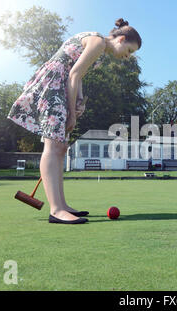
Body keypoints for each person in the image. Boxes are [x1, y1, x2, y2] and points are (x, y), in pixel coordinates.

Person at [8, 18, 142, 224]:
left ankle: (62, 205)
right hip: (53, 87)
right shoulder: (97, 42)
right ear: (121, 39)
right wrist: (71, 113)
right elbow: (73, 74)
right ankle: (56, 210)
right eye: (130, 50)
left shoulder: (99, 51)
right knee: (53, 147)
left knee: (60, 148)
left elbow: (77, 78)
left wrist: (79, 101)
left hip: (61, 88)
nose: (128, 57)